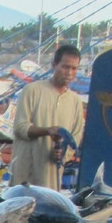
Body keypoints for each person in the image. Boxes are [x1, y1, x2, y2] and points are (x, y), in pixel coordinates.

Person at [9, 44, 85, 188]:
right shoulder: (32, 90)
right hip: (24, 176)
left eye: (74, 68)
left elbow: (75, 138)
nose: (69, 72)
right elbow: (20, 128)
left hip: (51, 179)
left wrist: (63, 153)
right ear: (54, 65)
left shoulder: (75, 101)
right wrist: (47, 131)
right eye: (65, 67)